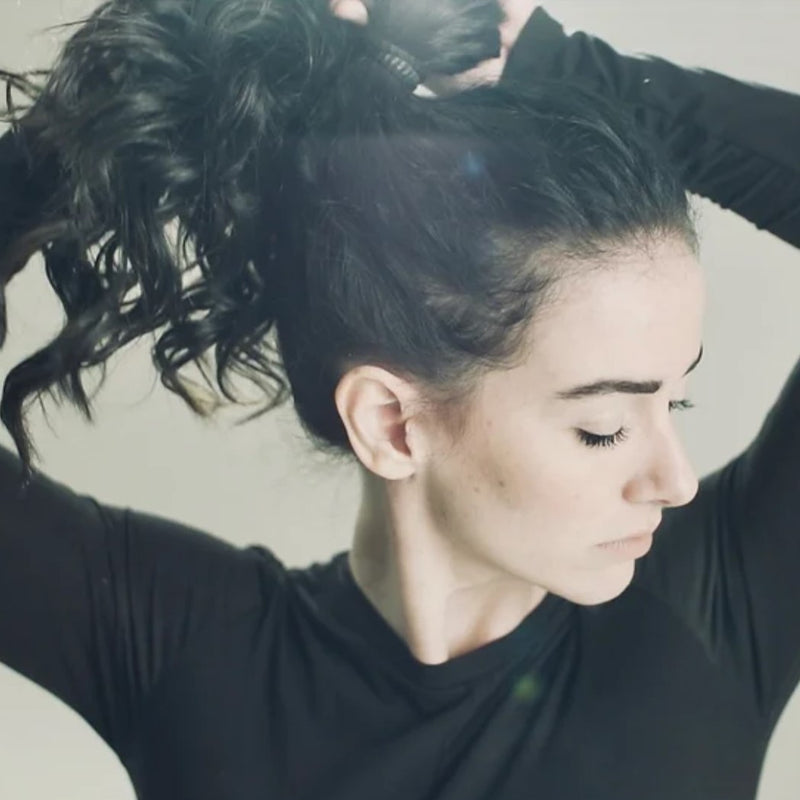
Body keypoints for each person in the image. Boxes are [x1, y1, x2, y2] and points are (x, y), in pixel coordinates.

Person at [0, 1, 798, 798]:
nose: (675, 480)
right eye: (604, 428)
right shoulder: (185, 656)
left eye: (675, 404)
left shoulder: (719, 613)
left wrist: (557, 64)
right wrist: (122, 97)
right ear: (392, 424)